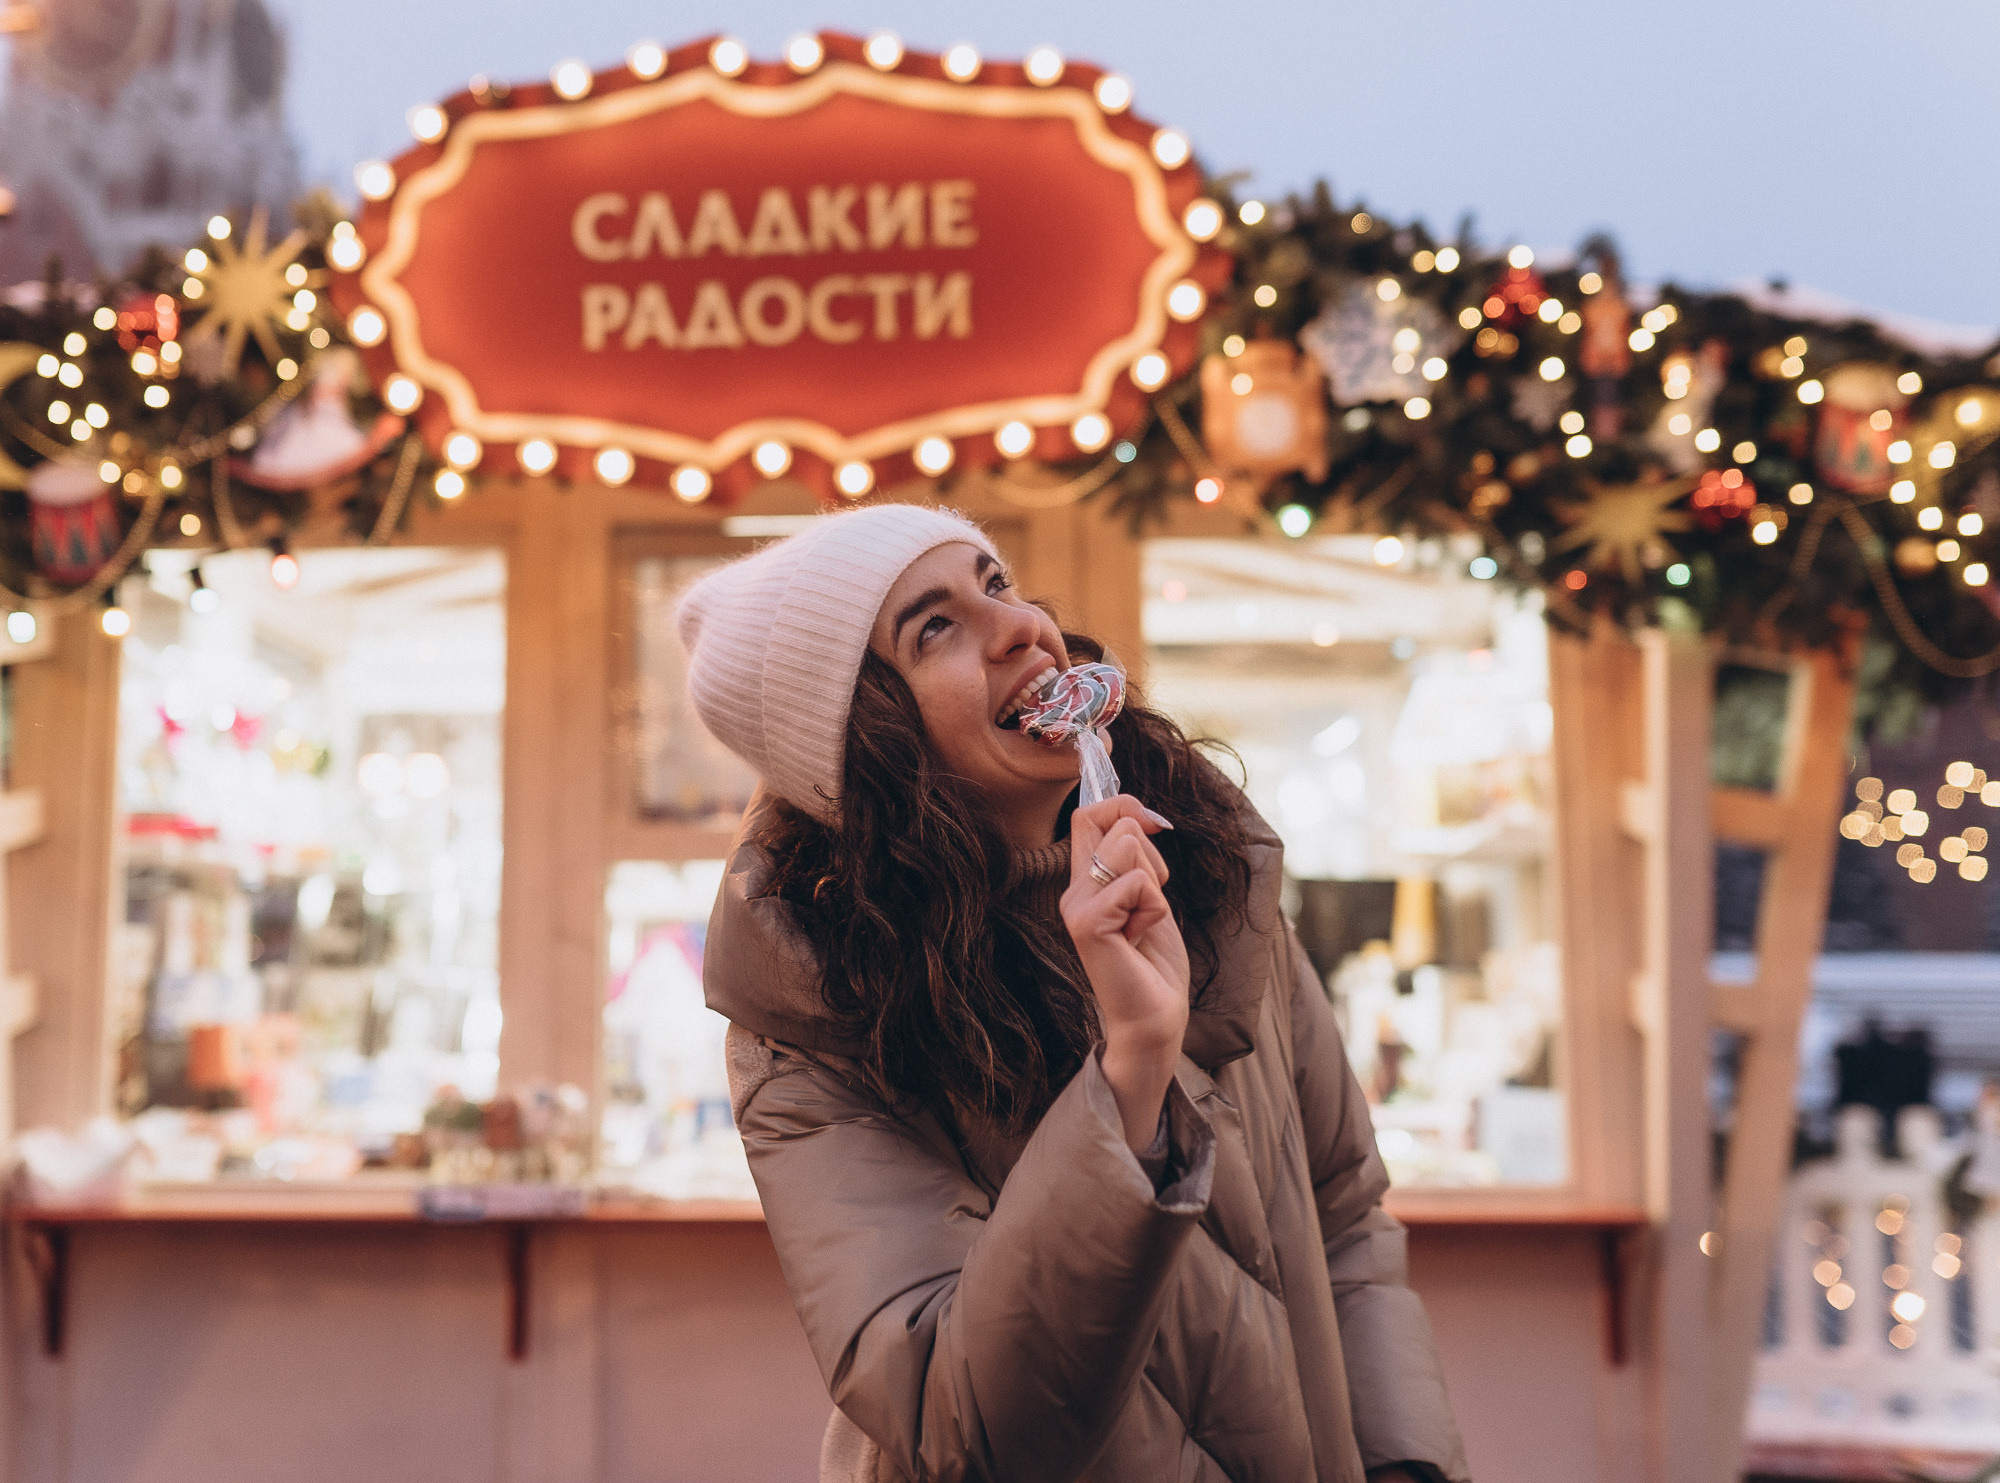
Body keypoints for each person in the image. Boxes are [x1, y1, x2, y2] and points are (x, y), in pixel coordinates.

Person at [677, 504, 1468, 1483]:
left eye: (995, 583)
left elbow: (1344, 1212)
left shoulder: (1212, 883)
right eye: (936, 627)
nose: (1019, 626)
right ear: (869, 744)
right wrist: (1131, 1068)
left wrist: (1404, 1462)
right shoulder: (817, 1011)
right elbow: (958, 1423)